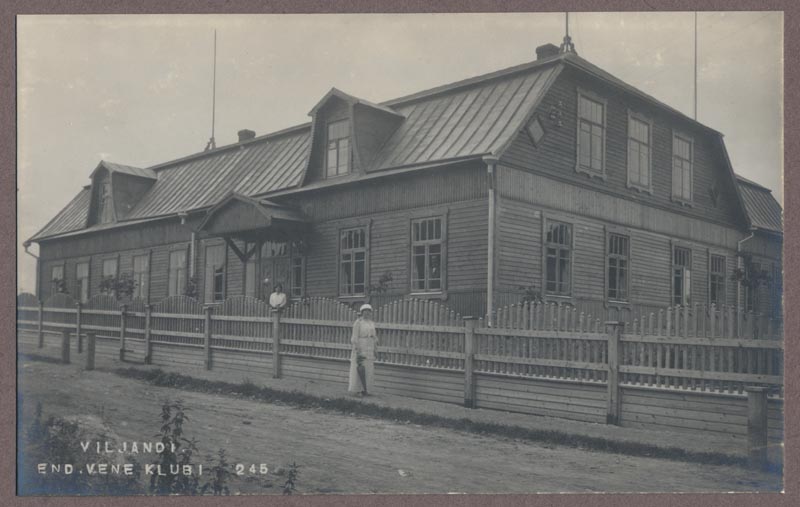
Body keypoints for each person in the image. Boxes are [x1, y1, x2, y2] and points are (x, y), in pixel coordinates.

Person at [348, 303, 378, 396]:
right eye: (365, 311)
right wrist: (357, 348)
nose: (367, 313)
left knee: (368, 368)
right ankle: (357, 390)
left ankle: (366, 390)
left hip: (370, 346)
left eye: (369, 311)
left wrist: (375, 348)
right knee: (359, 367)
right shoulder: (358, 322)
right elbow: (354, 337)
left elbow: (375, 336)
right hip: (361, 346)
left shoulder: (371, 323)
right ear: (361, 312)